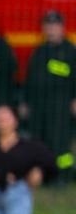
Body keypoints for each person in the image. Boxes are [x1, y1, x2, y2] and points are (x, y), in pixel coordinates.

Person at [21, 11, 76, 175]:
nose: (51, 29)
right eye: (48, 26)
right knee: (39, 140)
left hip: (61, 104)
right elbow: (29, 79)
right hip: (39, 105)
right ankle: (45, 174)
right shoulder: (39, 51)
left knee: (60, 142)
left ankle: (64, 175)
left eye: (54, 26)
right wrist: (25, 101)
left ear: (61, 28)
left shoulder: (70, 51)